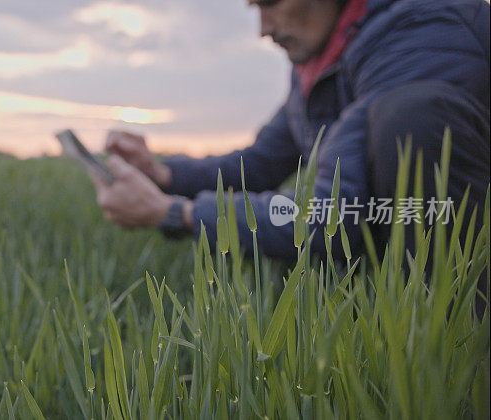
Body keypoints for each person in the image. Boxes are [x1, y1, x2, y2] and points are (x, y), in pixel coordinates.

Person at [90, 0, 490, 260]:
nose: (263, 28)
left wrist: (177, 213)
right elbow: (259, 164)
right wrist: (163, 174)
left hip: (457, 278)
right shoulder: (326, 62)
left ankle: (459, 357)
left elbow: (330, 216)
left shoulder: (419, 38)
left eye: (270, 3)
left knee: (412, 117)